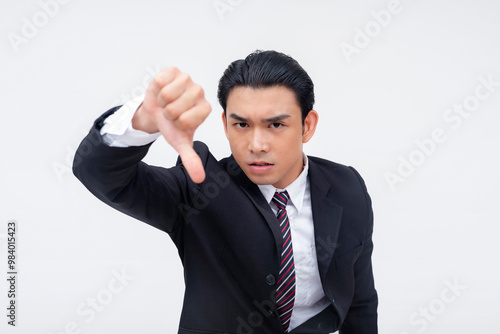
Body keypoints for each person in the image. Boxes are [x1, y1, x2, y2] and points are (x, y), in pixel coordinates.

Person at [73, 50, 378, 334]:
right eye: (242, 124)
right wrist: (142, 121)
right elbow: (99, 173)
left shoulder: (347, 186)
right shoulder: (200, 187)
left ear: (306, 126)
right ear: (225, 124)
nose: (257, 145)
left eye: (275, 125)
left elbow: (360, 300)